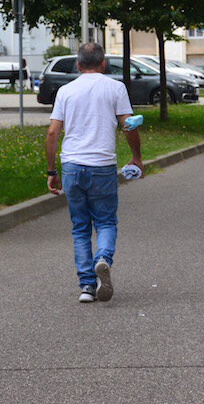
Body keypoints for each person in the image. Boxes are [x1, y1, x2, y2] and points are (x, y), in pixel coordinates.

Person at [45, 42, 143, 304]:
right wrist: (136, 157)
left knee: (80, 228)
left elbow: (53, 132)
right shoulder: (115, 88)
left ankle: (87, 286)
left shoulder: (66, 91)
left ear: (78, 65)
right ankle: (103, 258)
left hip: (73, 167)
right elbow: (129, 125)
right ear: (103, 64)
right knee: (106, 221)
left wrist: (52, 170)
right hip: (102, 166)